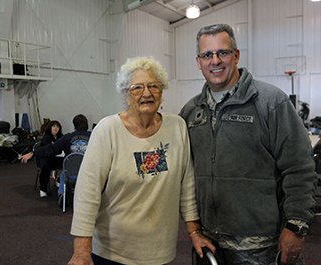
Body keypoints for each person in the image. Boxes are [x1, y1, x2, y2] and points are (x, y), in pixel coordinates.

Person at [179, 23, 318, 265]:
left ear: (236, 55)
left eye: (222, 52)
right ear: (198, 61)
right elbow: (182, 174)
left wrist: (296, 227)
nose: (215, 61)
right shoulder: (191, 111)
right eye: (207, 55)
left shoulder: (270, 102)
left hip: (264, 244)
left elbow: (299, 168)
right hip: (210, 243)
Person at [68, 57, 204, 265]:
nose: (147, 93)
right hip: (112, 254)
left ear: (162, 91)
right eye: (137, 87)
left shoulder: (177, 127)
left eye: (153, 86)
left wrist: (194, 232)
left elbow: (187, 185)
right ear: (125, 93)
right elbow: (87, 193)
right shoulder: (108, 130)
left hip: (160, 251)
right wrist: (81, 251)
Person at [19, 115, 91, 198]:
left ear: (74, 126)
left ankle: (62, 195)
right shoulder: (94, 136)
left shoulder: (67, 137)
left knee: (64, 174)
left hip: (72, 173)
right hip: (88, 173)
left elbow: (50, 148)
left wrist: (32, 153)